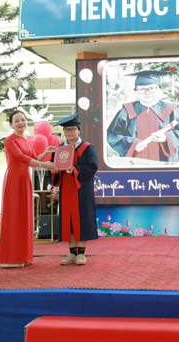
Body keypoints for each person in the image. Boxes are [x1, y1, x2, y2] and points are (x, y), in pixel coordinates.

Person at [0, 110, 57, 268]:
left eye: (23, 120)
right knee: (13, 216)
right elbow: (21, 158)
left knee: (24, 216)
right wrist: (44, 164)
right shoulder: (9, 140)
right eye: (17, 121)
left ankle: (22, 256)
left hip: (24, 179)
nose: (21, 123)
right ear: (11, 124)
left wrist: (45, 153)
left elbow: (33, 160)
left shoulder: (26, 140)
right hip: (13, 180)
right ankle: (10, 258)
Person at [106, 70, 179, 162]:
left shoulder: (171, 110)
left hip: (164, 163)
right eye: (141, 89)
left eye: (152, 88)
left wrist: (166, 138)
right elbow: (112, 135)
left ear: (160, 89)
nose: (147, 92)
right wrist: (132, 144)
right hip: (135, 162)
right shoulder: (127, 111)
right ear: (136, 91)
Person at [52, 113, 99, 266]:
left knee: (82, 219)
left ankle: (81, 254)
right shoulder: (60, 149)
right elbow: (54, 166)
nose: (69, 132)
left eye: (72, 129)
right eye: (66, 130)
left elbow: (92, 167)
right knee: (68, 221)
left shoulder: (87, 148)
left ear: (79, 130)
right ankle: (72, 253)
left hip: (82, 189)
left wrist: (75, 170)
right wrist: (54, 170)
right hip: (66, 189)